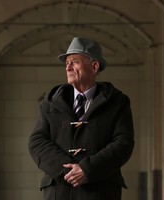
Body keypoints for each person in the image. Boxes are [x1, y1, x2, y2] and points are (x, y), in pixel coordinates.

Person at [28, 37, 135, 200]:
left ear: (94, 66)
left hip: (101, 192)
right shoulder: (50, 102)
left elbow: (123, 143)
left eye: (74, 61)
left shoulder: (117, 102)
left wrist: (87, 169)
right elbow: (37, 141)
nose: (68, 67)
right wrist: (69, 172)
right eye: (67, 63)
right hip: (59, 192)